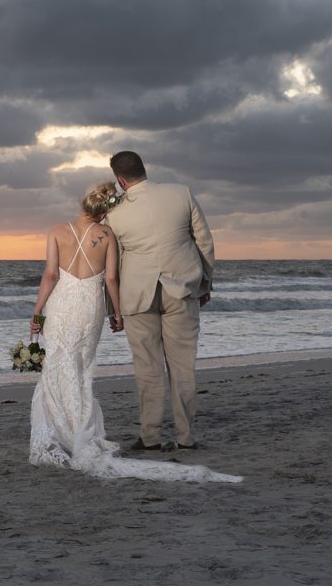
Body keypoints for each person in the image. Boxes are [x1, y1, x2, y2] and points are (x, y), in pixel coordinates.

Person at [27, 181, 239, 483]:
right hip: (90, 307)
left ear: (82, 203)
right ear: (105, 210)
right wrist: (117, 313)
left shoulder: (56, 230)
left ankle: (58, 437)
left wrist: (37, 311)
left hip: (60, 307)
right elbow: (111, 278)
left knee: (57, 366)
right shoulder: (107, 234)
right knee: (82, 369)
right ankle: (80, 434)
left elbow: (50, 274)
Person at [104, 151, 214, 452]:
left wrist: (112, 308)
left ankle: (150, 438)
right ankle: (186, 439)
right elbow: (203, 240)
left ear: (121, 180)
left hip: (137, 295)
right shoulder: (182, 193)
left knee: (147, 368)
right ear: (143, 170)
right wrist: (205, 282)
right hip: (182, 288)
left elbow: (113, 264)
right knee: (182, 367)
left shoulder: (113, 213)